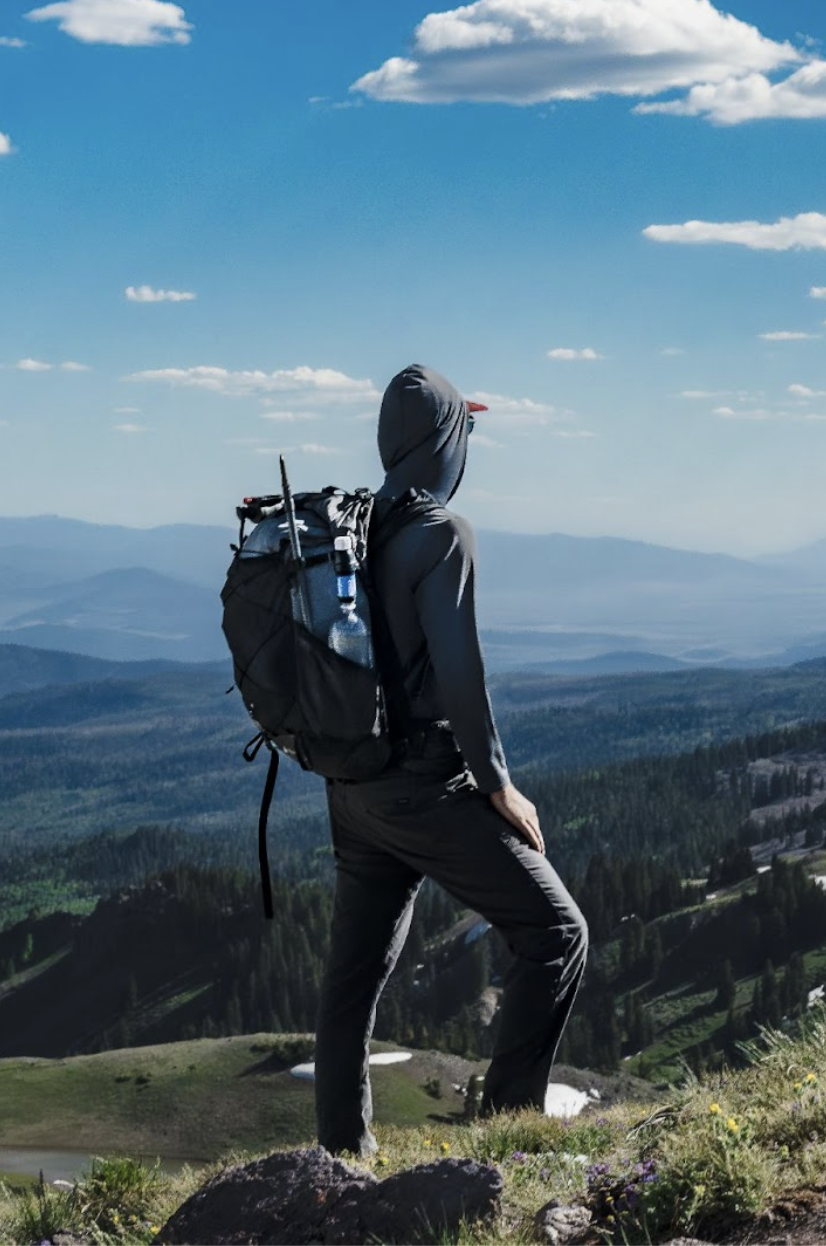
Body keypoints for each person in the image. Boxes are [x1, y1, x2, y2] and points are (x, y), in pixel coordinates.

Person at [315, 363, 588, 1157]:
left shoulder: (354, 527)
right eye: (464, 431)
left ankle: (341, 1160)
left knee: (353, 980)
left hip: (352, 788)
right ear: (444, 441)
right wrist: (498, 784)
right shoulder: (439, 534)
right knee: (558, 934)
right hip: (423, 788)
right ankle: (506, 1139)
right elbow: (461, 676)